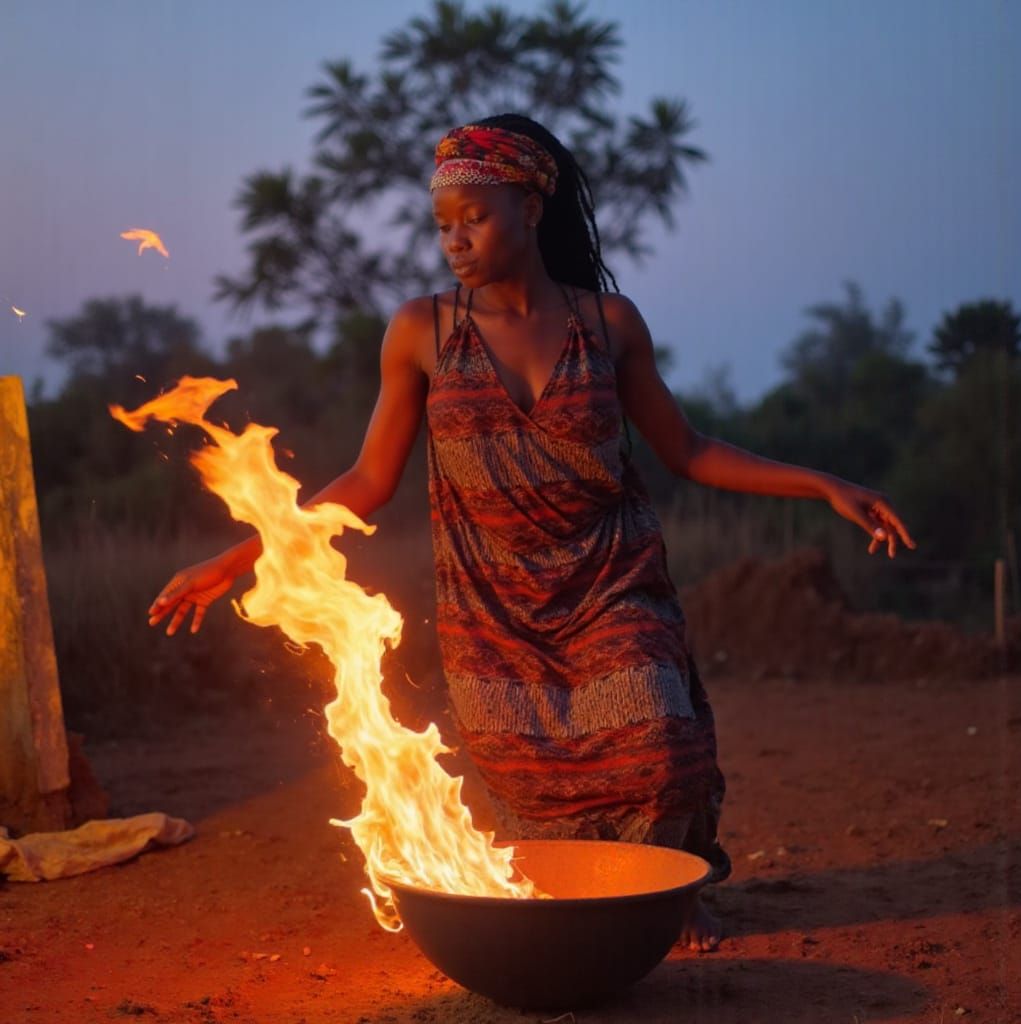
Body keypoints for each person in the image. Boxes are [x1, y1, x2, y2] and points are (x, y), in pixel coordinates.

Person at [148, 114, 915, 951]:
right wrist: (243, 555)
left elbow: (688, 450)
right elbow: (366, 484)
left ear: (529, 206)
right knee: (534, 774)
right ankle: (592, 896)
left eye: (473, 217)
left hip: (609, 578)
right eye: (442, 225)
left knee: (660, 741)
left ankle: (668, 891)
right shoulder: (422, 331)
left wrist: (826, 485)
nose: (454, 240)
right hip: (494, 603)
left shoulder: (609, 324)